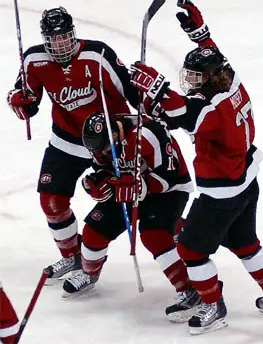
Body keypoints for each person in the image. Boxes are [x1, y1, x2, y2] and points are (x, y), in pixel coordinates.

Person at [129, 0, 263, 334]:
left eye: (194, 76)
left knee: (191, 248)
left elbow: (180, 114)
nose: (189, 80)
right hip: (246, 181)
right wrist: (200, 35)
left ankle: (212, 306)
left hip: (223, 192)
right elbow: (214, 62)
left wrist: (157, 88)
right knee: (244, 240)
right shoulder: (230, 82)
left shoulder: (212, 111)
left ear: (208, 79)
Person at [6, 7, 139, 284]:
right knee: (51, 202)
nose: (60, 45)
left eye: (65, 37)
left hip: (107, 142)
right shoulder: (34, 59)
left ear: (73, 34)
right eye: (54, 39)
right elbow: (25, 98)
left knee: (125, 202)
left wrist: (144, 114)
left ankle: (94, 261)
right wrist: (20, 103)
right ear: (45, 39)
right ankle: (72, 254)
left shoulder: (98, 55)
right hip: (66, 140)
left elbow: (132, 93)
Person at [61, 112, 200, 322]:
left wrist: (139, 187)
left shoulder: (148, 133)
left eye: (105, 148)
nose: (102, 153)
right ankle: (90, 273)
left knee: (153, 235)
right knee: (93, 231)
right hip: (126, 187)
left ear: (115, 134)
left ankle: (190, 290)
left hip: (168, 190)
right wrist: (99, 183)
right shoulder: (100, 144)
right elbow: (104, 169)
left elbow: (169, 176)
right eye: (97, 151)